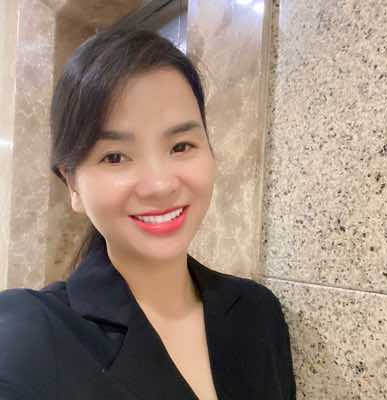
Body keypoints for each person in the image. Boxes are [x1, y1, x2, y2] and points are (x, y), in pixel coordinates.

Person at [0, 17, 296, 400]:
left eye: (181, 146)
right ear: (72, 184)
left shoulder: (258, 314)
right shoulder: (28, 338)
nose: (160, 185)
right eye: (115, 156)